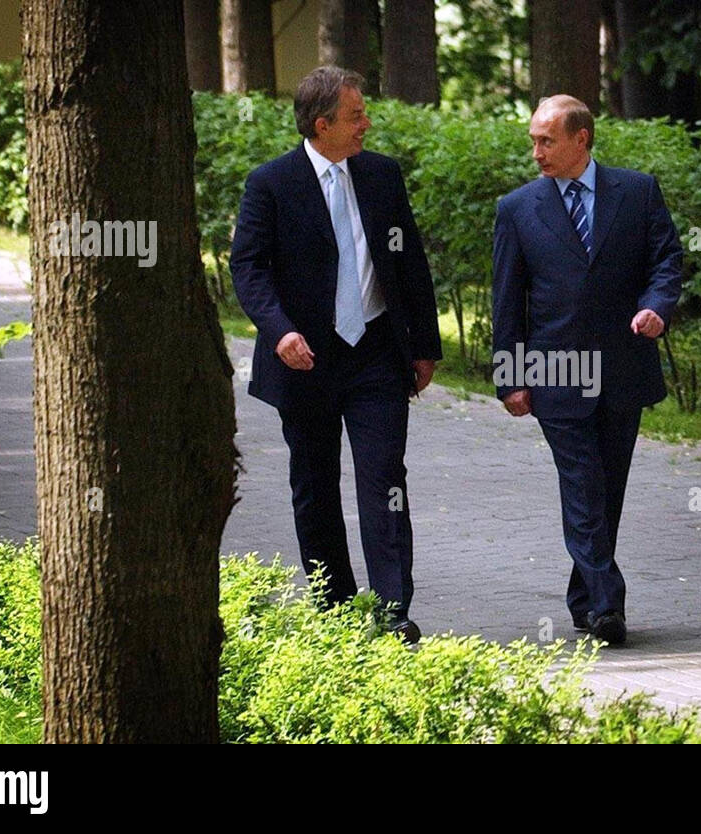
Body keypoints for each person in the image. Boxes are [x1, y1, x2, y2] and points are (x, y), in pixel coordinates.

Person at [230, 66, 441, 644]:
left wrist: (424, 345)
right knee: (315, 483)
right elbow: (247, 269)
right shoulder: (270, 184)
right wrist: (279, 332)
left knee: (383, 478)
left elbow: (409, 262)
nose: (366, 124)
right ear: (322, 125)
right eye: (355, 116)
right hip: (306, 360)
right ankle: (335, 606)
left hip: (375, 354)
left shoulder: (381, 175)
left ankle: (394, 609)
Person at [491, 94, 683, 646]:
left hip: (623, 366)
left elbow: (666, 260)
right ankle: (606, 605)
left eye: (546, 140)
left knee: (607, 487)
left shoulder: (638, 191)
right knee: (581, 484)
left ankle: (584, 595)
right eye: (532, 140)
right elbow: (508, 300)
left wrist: (656, 308)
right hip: (556, 370)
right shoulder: (518, 208)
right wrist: (511, 374)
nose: (536, 152)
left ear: (581, 139)